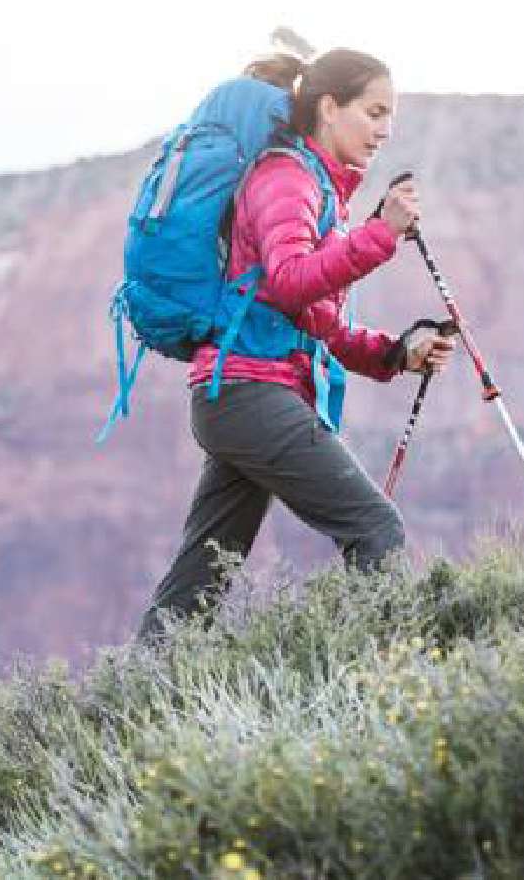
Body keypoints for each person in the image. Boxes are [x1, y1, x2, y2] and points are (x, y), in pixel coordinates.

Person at [136, 49, 455, 643]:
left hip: (236, 396)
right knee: (373, 526)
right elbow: (288, 283)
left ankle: (124, 709)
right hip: (249, 393)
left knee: (199, 578)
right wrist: (379, 235)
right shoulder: (286, 178)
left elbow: (317, 323)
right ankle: (396, 683)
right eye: (374, 111)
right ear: (329, 107)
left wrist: (395, 353)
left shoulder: (318, 189)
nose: (386, 130)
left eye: (392, 116)